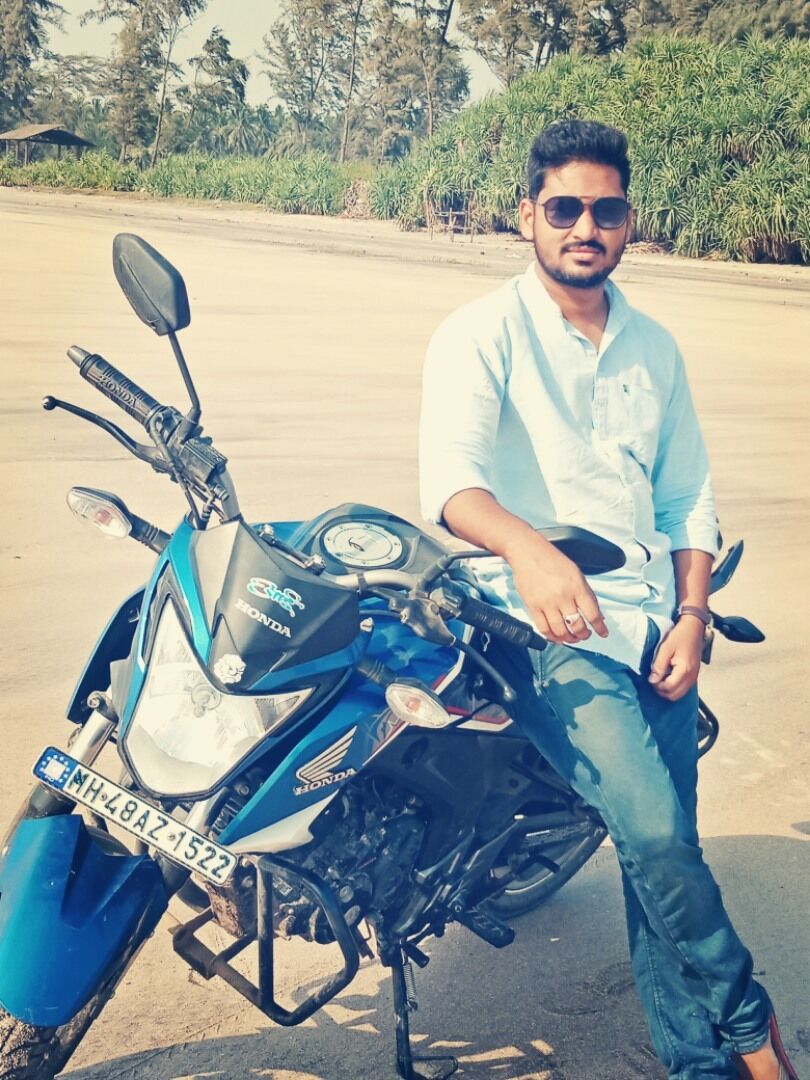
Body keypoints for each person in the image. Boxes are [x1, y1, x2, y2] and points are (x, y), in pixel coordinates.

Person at [418, 119, 799, 1080]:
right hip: (539, 623)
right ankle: (749, 1024)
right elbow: (453, 486)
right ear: (527, 216)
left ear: (629, 221)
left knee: (661, 855)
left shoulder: (654, 348)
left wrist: (694, 618)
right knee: (656, 832)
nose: (585, 227)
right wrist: (532, 553)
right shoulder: (480, 333)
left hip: (653, 621)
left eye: (606, 210)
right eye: (564, 208)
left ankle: (696, 1064)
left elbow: (687, 496)